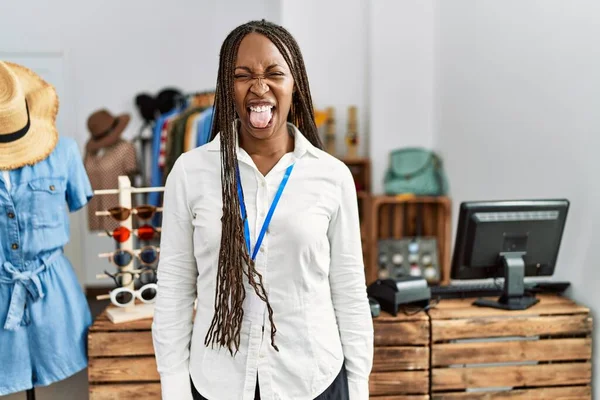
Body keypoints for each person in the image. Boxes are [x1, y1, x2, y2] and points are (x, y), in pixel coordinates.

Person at [152, 20, 374, 400]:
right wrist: (174, 387)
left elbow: (349, 290)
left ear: (294, 86)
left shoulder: (331, 176)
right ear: (227, 87)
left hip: (312, 379)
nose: (259, 86)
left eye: (274, 73)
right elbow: (173, 290)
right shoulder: (190, 172)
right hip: (218, 381)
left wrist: (359, 387)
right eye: (243, 75)